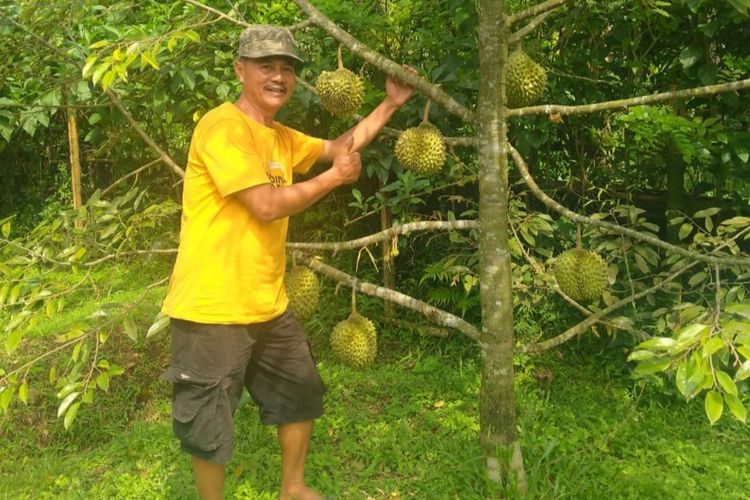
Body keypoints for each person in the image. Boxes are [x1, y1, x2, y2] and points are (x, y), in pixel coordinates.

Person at [159, 24, 415, 500]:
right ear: (240, 70)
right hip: (212, 307)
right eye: (266, 66)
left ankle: (293, 488)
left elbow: (341, 147)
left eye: (286, 69)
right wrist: (335, 180)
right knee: (209, 417)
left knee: (300, 392)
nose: (278, 76)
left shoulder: (277, 137)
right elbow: (266, 205)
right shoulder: (223, 127)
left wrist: (391, 103)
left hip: (268, 303)